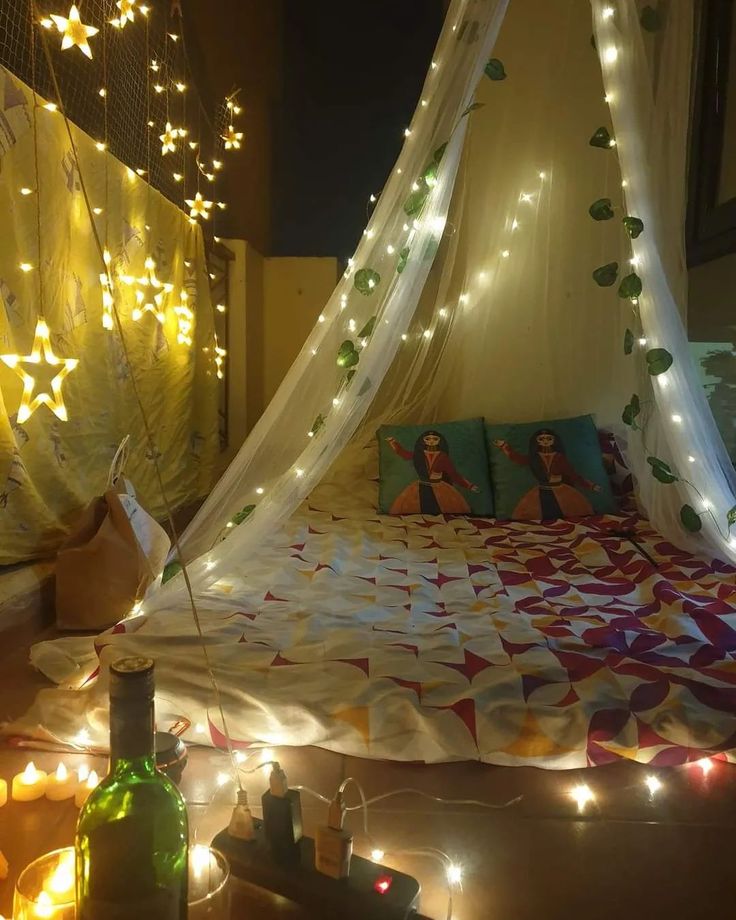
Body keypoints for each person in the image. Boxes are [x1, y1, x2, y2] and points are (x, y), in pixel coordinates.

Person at [493, 428, 600, 519]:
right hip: (542, 489)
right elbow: (518, 459)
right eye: (541, 439)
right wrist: (504, 446)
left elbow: (572, 474)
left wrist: (590, 485)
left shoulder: (559, 457)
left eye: (549, 439)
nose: (545, 441)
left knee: (565, 510)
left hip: (561, 490)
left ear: (554, 441)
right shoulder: (535, 457)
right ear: (537, 441)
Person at [386, 430, 480, 514]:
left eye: (435, 439)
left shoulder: (443, 456)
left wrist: (469, 486)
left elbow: (453, 475)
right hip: (421, 487)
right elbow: (405, 454)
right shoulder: (419, 454)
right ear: (423, 441)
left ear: (439, 441)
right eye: (428, 439)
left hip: (439, 488)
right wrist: (393, 442)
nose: (431, 441)